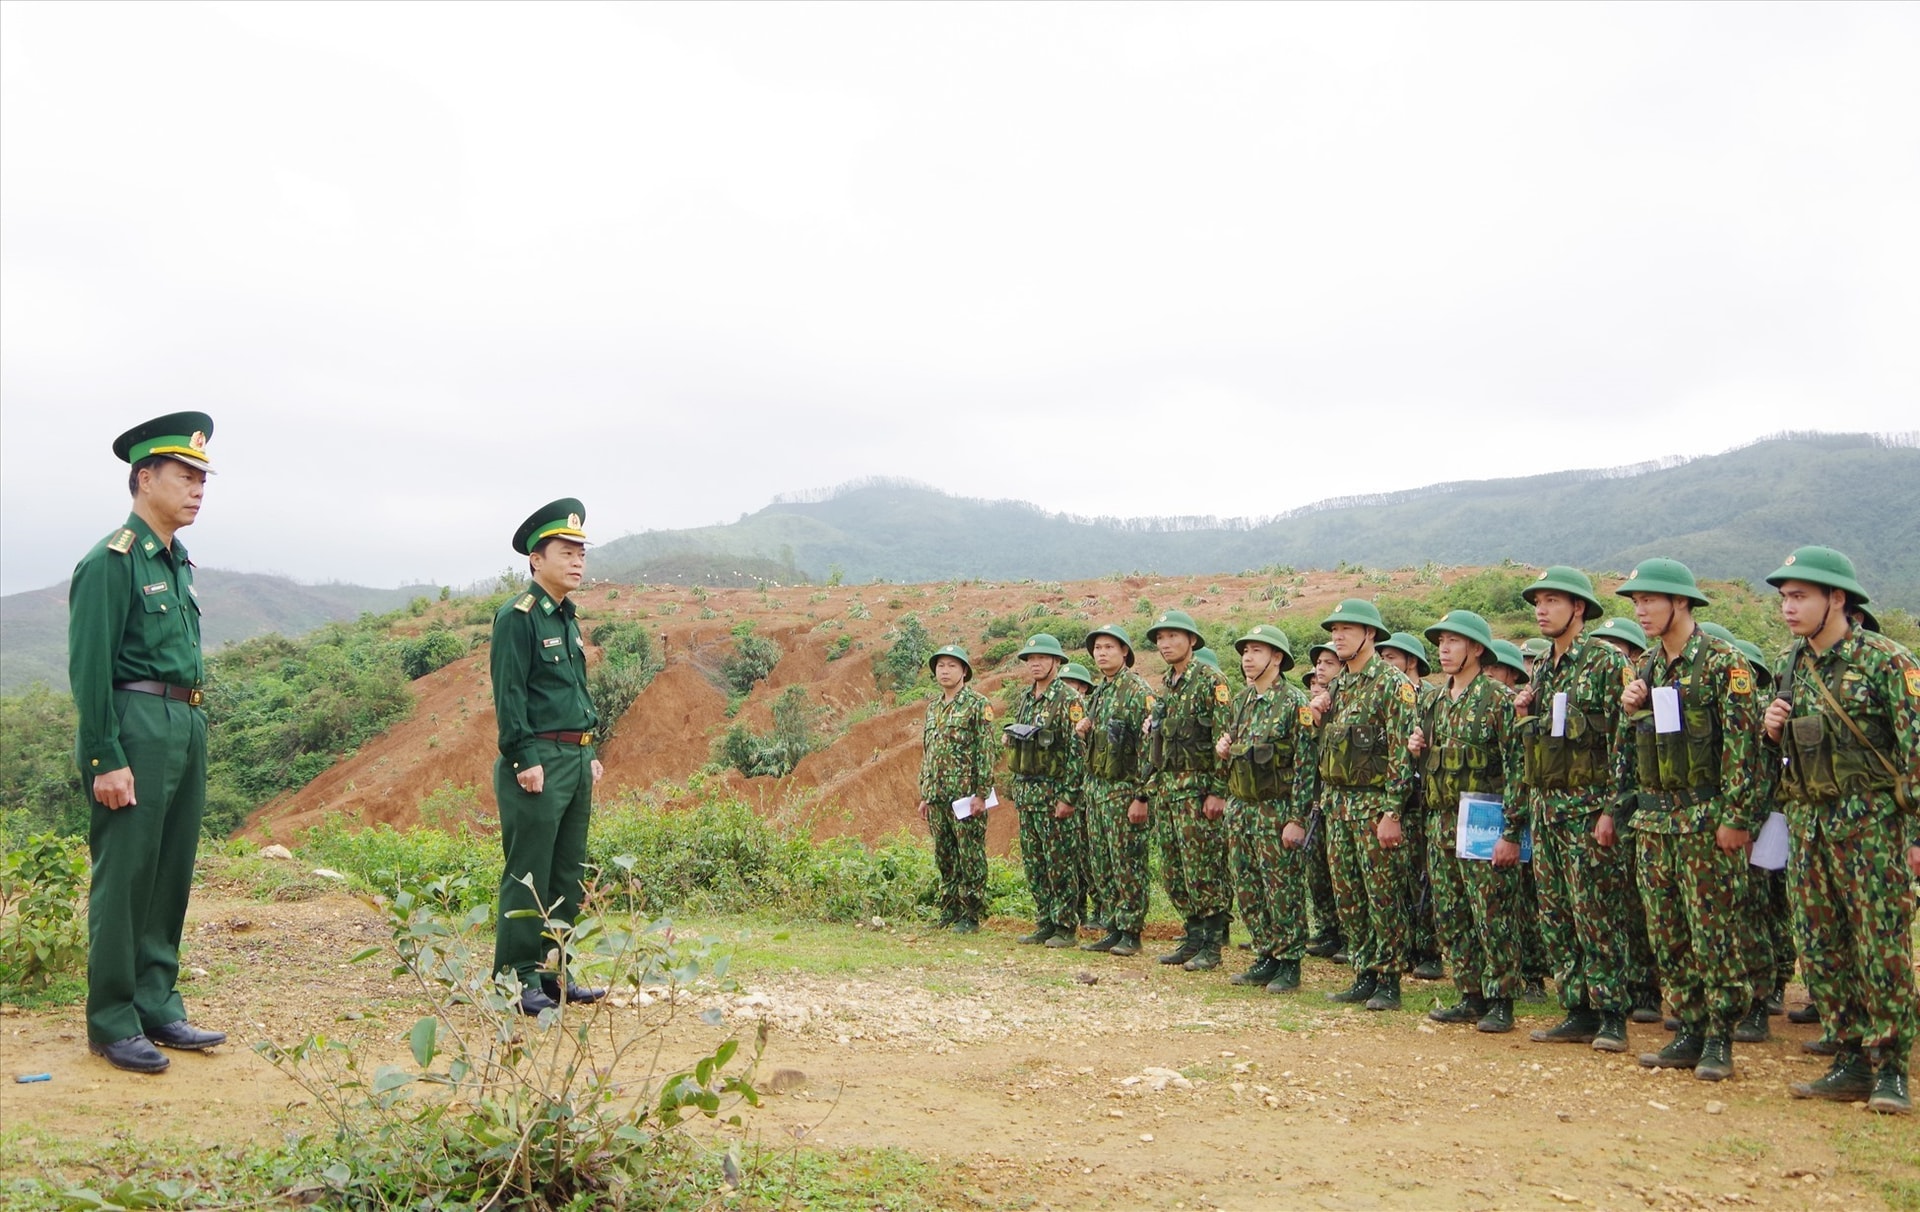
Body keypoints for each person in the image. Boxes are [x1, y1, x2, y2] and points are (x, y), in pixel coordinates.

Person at [68, 413, 225, 1073]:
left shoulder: (178, 563)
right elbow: (90, 668)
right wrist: (105, 757)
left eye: (202, 478)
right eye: (184, 476)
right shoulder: (113, 561)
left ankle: (157, 1003)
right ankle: (111, 1018)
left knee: (168, 875)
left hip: (184, 722)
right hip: (135, 720)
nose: (197, 489)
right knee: (126, 875)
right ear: (143, 479)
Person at [1763, 546, 1919, 1114]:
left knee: (1881, 947)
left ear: (1838, 598)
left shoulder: (1886, 661)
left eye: (1800, 596)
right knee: (1822, 947)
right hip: (1810, 827)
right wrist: (1771, 729)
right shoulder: (1792, 665)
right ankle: (1849, 1057)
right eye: (1784, 597)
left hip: (1872, 829)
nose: (1788, 606)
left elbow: (1917, 751)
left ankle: (1891, 1068)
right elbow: (1791, 756)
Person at [1618, 558, 1758, 1082]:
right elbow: (1639, 745)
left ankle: (1720, 1035)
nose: (1642, 610)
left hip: (1705, 819)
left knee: (1713, 930)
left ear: (1681, 602)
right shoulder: (1648, 668)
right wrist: (1631, 705)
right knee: (1668, 931)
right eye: (1636, 602)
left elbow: (1743, 749)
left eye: (1650, 600)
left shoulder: (1725, 663)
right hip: (1656, 822)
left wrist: (1737, 816)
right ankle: (1690, 1027)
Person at [1514, 566, 1637, 1053]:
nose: (1541, 610)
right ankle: (1576, 1007)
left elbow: (1627, 741)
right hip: (1548, 807)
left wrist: (1613, 808)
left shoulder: (1607, 662)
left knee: (1598, 912)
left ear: (1578, 609)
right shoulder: (1543, 666)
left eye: (1552, 601)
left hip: (1589, 809)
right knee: (1557, 912)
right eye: (1537, 602)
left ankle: (1611, 1013)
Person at [491, 499, 606, 1016]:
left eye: (581, 551)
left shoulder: (568, 618)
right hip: (538, 760)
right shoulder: (518, 618)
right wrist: (523, 757)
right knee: (528, 872)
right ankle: (515, 979)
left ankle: (556, 973)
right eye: (566, 551)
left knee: (567, 872)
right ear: (536, 560)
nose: (577, 560)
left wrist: (591, 752)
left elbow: (573, 692)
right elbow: (510, 693)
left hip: (576, 760)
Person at [1410, 610, 1525, 1033]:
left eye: (1454, 641)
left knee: (1491, 912)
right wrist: (1418, 747)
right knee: (1451, 912)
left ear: (1477, 649)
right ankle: (1470, 993)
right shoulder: (1432, 700)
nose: (1443, 648)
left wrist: (1512, 831)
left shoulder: (1497, 699)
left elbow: (1517, 769)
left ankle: (1501, 999)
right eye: (1441, 641)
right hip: (1441, 821)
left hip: (1484, 820)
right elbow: (1425, 761)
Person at [1311, 599, 1418, 1011]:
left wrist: (1392, 812)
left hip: (1374, 808)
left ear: (1370, 634)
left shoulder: (1393, 685)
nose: (1337, 636)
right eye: (1335, 630)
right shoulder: (1338, 686)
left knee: (1382, 895)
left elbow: (1401, 754)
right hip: (1338, 807)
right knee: (1349, 894)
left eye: (1347, 630)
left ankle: (1388, 979)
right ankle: (1363, 972)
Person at [1217, 626, 1318, 993]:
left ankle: (1289, 962)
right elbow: (1232, 760)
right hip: (1241, 809)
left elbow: (1307, 767)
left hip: (1277, 810)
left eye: (1257, 651)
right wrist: (1224, 752)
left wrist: (1297, 819)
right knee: (1247, 885)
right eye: (1245, 651)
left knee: (1282, 888)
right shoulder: (1241, 701)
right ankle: (1265, 953)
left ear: (1276, 658)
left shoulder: (1294, 704)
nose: (1247, 658)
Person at [1141, 610, 1232, 971]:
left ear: (1192, 641)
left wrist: (1218, 791)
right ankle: (1192, 937)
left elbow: (1224, 738)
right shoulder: (1167, 683)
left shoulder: (1212, 681)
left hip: (1198, 791)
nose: (1166, 644)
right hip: (1168, 790)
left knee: (1203, 868)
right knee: (1174, 869)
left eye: (1173, 637)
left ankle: (1212, 942)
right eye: (1161, 639)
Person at [1075, 625, 1154, 957]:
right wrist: (1083, 730)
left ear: (1125, 652)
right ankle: (1113, 926)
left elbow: (1151, 748)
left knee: (1127, 863)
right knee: (1102, 863)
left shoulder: (1138, 691)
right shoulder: (1099, 694)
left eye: (1109, 647)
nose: (1101, 653)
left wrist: (1142, 796)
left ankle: (1131, 931)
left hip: (1124, 793)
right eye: (1097, 648)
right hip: (1096, 791)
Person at [1005, 634, 1086, 947]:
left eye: (1041, 657)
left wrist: (1069, 797)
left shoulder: (1069, 699)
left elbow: (1077, 753)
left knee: (1061, 862)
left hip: (1054, 796)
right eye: (1030, 658)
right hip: (1028, 796)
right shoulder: (1027, 698)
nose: (1035, 663)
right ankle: (1045, 921)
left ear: (1057, 661)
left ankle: (1065, 926)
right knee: (1035, 862)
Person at [917, 645, 995, 934]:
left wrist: (981, 793)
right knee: (945, 855)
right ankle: (949, 909)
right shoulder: (934, 707)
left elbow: (986, 750)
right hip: (938, 797)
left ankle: (971, 914)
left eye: (951, 665)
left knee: (970, 856)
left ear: (964, 671)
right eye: (940, 666)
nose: (945, 670)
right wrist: (925, 794)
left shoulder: (977, 704)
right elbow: (929, 752)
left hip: (965, 796)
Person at [1379, 631, 1443, 981]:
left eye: (1391, 658)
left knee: (1427, 877)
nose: (1385, 664)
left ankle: (1430, 950)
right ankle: (1402, 947)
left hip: (1426, 799)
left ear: (1411, 662)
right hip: (1397, 798)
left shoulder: (1433, 698)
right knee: (1399, 877)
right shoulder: (1385, 693)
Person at [1300, 641, 1346, 962]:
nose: (1320, 669)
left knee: (1342, 873)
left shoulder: (1343, 705)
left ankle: (1348, 934)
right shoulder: (1315, 709)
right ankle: (1329, 929)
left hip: (1343, 801)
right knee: (1318, 871)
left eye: (1328, 663)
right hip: (1317, 801)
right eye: (1318, 663)